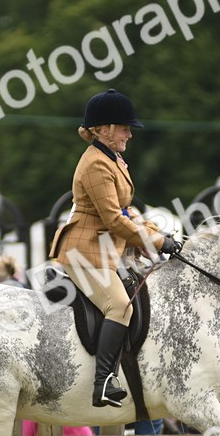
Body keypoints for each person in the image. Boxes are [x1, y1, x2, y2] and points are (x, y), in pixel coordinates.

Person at [48, 88, 178, 408]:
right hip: (84, 251)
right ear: (104, 129)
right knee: (120, 306)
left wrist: (158, 233)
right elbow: (114, 220)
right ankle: (104, 381)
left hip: (105, 249)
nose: (129, 134)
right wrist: (156, 242)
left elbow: (126, 211)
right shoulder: (96, 164)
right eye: (124, 128)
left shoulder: (113, 158)